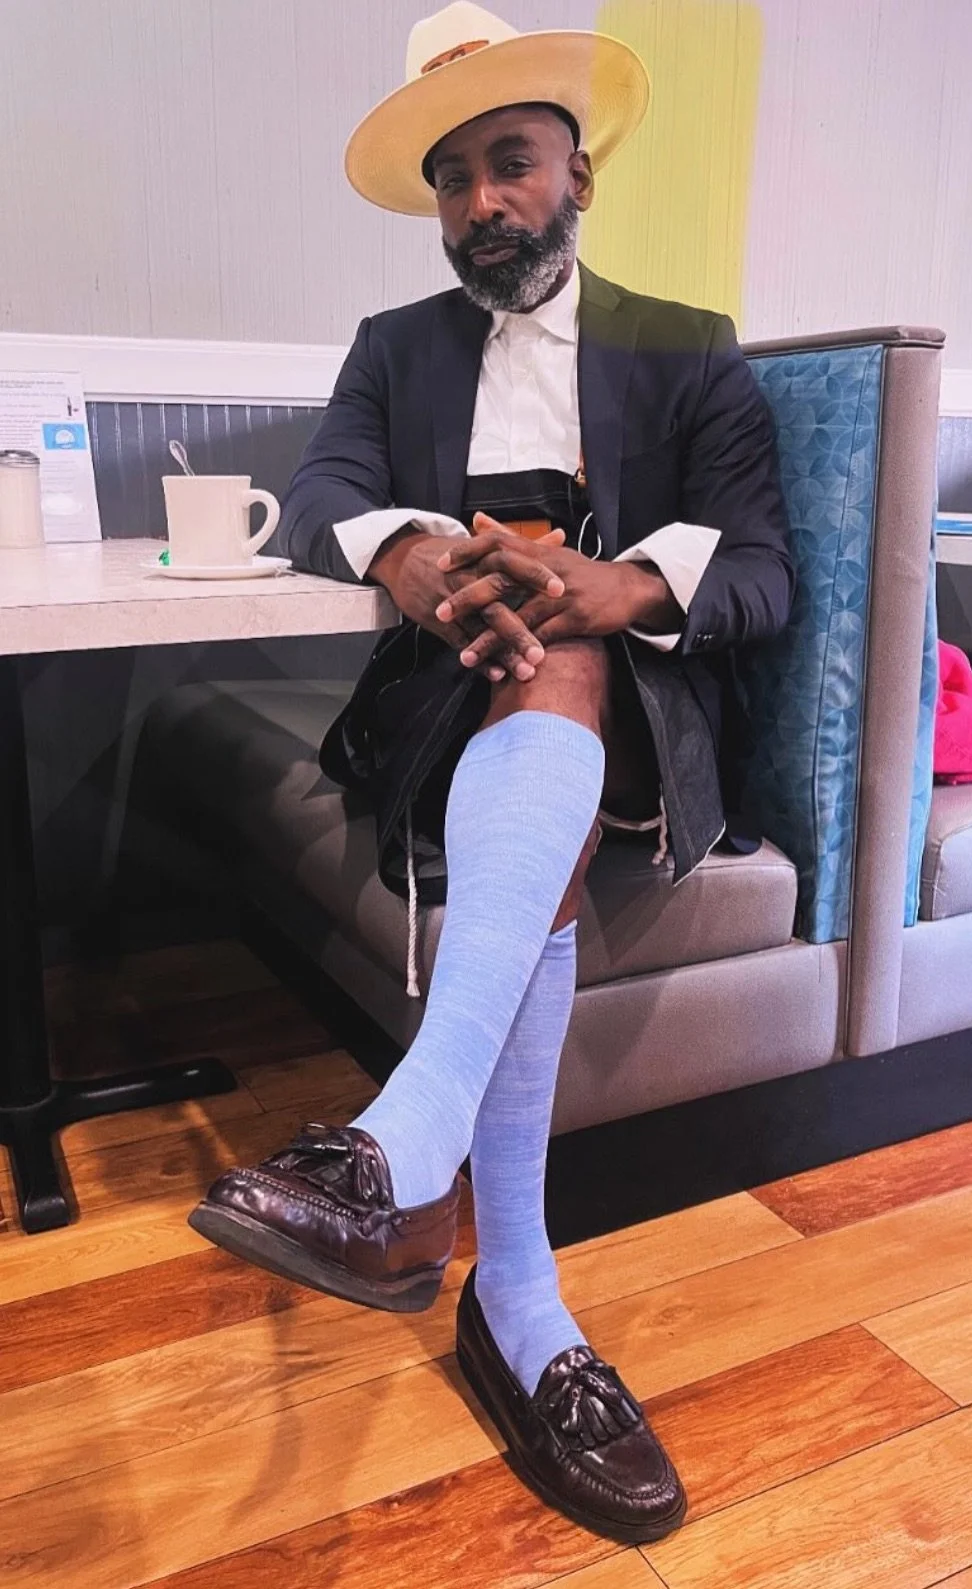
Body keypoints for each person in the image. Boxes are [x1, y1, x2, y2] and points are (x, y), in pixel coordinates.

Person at [189, 0, 793, 1544]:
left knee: (566, 652)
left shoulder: (685, 345)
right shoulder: (395, 351)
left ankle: (404, 1160)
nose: (483, 204)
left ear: (576, 175)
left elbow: (765, 569)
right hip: (436, 692)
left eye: (510, 164)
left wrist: (621, 585)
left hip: (628, 704)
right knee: (528, 661)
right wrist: (404, 551)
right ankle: (513, 1299)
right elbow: (326, 480)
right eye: (455, 179)